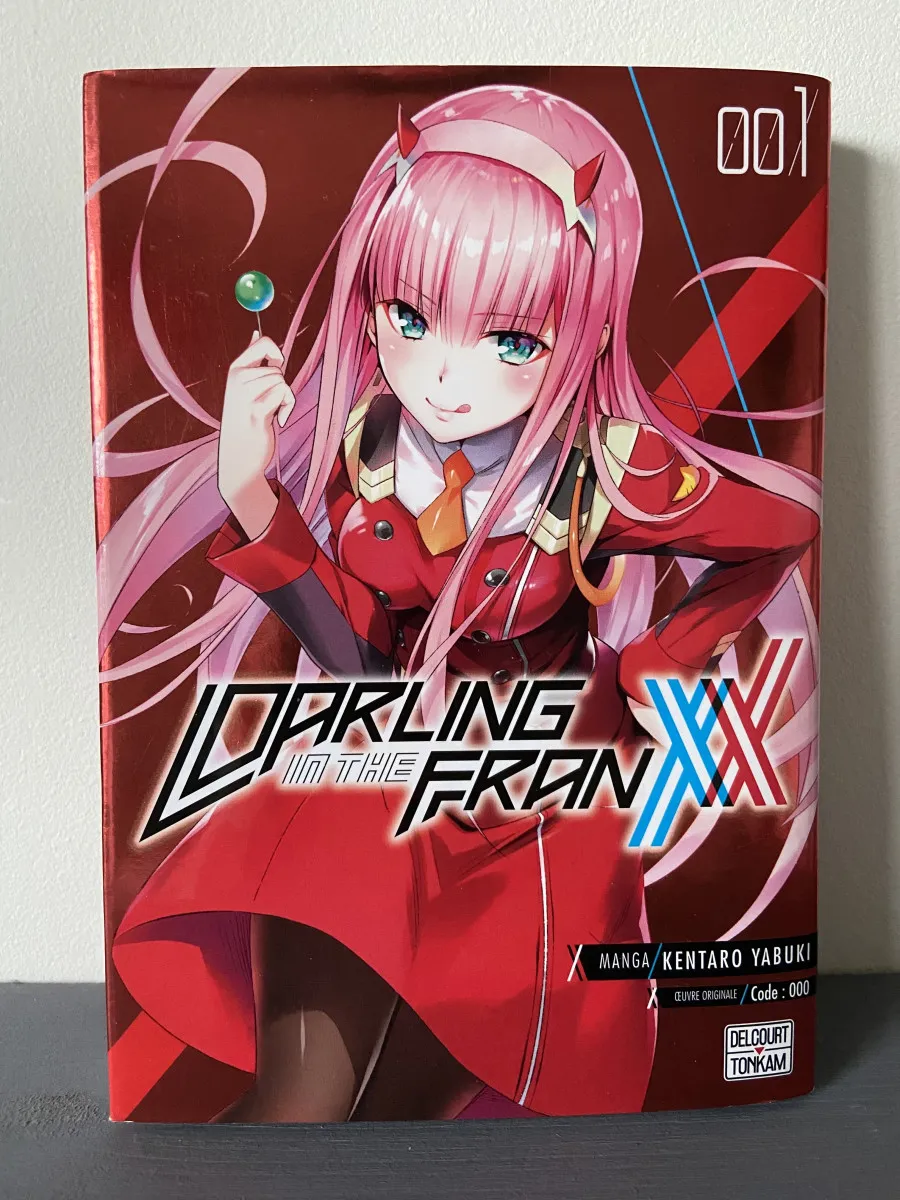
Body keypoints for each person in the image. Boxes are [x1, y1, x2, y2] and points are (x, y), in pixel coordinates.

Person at [106, 81, 820, 1121]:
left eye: (511, 340)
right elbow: (361, 661)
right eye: (410, 317)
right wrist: (253, 496)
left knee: (398, 1128)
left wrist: (664, 656)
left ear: (580, 330)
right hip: (381, 785)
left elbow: (780, 527)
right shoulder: (371, 446)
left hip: (533, 821)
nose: (444, 379)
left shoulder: (604, 470)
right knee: (299, 1109)